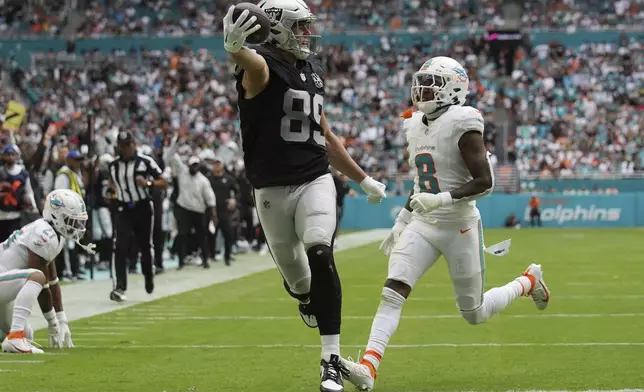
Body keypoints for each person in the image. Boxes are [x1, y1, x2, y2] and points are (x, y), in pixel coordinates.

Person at [338, 57, 551, 391]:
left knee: (474, 313)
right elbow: (421, 185)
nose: (422, 89)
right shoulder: (413, 123)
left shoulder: (462, 121)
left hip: (459, 225)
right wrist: (402, 222)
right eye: (421, 82)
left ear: (454, 87)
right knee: (392, 292)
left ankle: (527, 281)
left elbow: (486, 181)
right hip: (423, 223)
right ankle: (368, 367)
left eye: (432, 83)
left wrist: (441, 199)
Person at [222, 1, 388, 390]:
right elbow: (249, 61)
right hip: (270, 190)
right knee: (301, 283)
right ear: (276, 28)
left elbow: (326, 137)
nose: (306, 35)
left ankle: (330, 361)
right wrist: (233, 46)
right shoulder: (263, 65)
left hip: (315, 178)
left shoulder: (311, 70)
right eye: (299, 27)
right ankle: (304, 297)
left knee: (320, 250)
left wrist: (363, 179)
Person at [0, 189, 91, 353]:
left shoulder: (55, 234)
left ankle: (14, 336)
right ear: (56, 215)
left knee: (27, 334)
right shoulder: (43, 233)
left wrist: (61, 320)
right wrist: (52, 321)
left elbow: (53, 280)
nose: (76, 226)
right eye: (71, 220)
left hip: (4, 285)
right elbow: (41, 282)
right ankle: (14, 337)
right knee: (37, 277)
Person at [107, 132, 168, 302]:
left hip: (142, 207)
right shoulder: (113, 165)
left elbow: (164, 182)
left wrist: (148, 183)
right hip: (123, 208)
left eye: (127, 145)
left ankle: (148, 276)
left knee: (145, 246)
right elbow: (113, 184)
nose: (124, 148)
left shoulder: (145, 161)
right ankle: (120, 286)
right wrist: (110, 193)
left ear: (133, 144)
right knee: (120, 246)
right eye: (121, 145)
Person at [207, 156, 238, 266]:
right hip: (212, 212)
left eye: (218, 164)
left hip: (225, 211)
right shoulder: (208, 179)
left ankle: (227, 256)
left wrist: (234, 200)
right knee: (210, 235)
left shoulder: (229, 179)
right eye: (215, 164)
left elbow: (237, 191)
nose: (216, 166)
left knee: (228, 234)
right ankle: (211, 256)